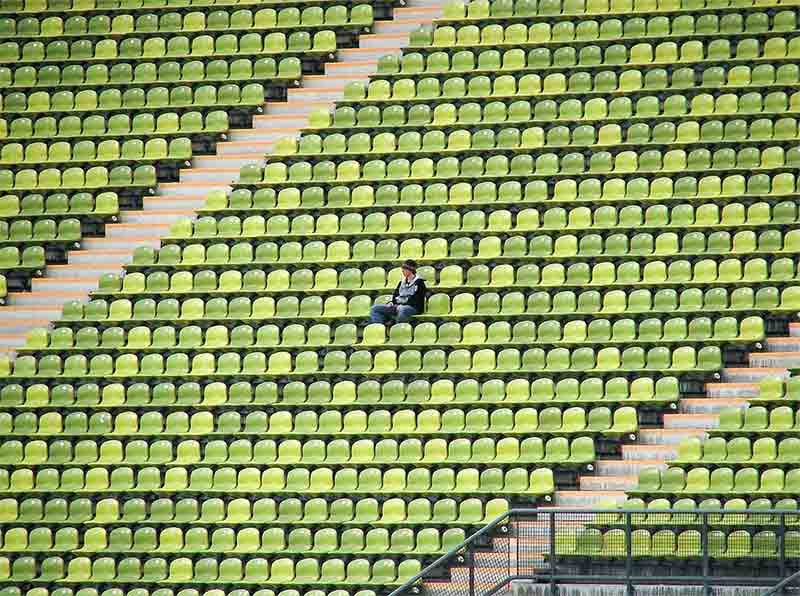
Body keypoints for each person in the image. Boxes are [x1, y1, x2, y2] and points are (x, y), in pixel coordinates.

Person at [370, 259, 426, 325]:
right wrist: (391, 302)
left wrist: (401, 304)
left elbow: (417, 300)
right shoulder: (401, 282)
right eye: (403, 269)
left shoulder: (419, 283)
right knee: (375, 308)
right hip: (398, 306)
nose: (402, 271)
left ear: (411, 270)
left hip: (412, 308)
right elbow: (395, 295)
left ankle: (397, 327)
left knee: (403, 309)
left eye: (405, 269)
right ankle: (380, 328)